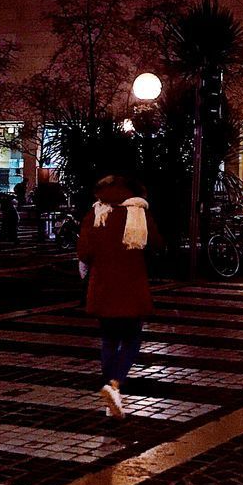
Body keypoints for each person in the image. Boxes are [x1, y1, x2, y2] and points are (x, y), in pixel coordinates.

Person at [77, 175, 163, 419]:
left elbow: (84, 251)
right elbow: (156, 243)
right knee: (132, 339)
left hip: (103, 286)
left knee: (108, 340)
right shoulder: (139, 213)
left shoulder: (96, 214)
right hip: (132, 286)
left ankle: (109, 386)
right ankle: (114, 384)